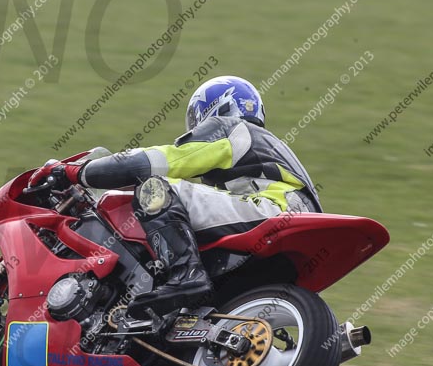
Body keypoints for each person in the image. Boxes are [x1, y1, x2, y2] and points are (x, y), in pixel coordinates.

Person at [29, 76, 322, 319]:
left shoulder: (228, 128)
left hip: (277, 210)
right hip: (291, 221)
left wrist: (74, 173)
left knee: (154, 186)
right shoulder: (260, 150)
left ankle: (185, 275)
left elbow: (157, 161)